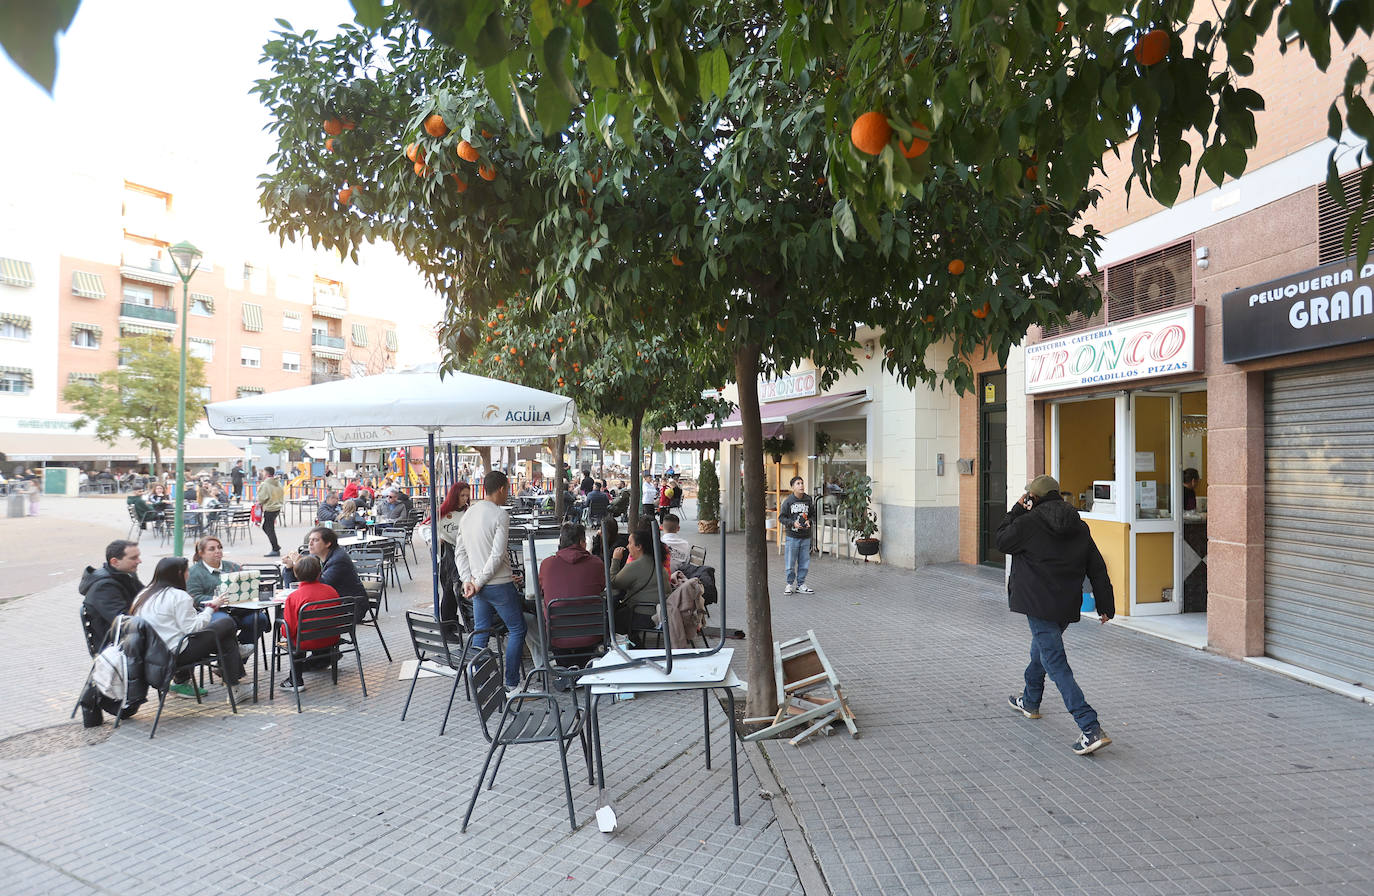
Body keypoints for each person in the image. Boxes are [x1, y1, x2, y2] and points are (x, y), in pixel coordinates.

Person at [997, 474, 1116, 757]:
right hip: (1065, 604)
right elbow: (1096, 568)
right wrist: (1105, 605)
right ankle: (1030, 700)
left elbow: (1001, 539)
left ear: (1033, 498)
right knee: (1041, 650)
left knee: (1055, 662)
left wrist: (1015, 509)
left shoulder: (1027, 523)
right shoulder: (1078, 525)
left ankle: (1090, 727)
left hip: (1038, 603)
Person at [132, 557, 247, 699]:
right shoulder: (179, 596)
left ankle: (234, 687)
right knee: (226, 624)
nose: (189, 573)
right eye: (187, 570)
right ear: (180, 573)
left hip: (152, 653)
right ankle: (235, 686)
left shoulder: (144, 594)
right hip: (177, 654)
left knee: (225, 640)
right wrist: (211, 608)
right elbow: (193, 628)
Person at [455, 470, 526, 694]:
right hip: (498, 584)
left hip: (478, 586)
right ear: (503, 489)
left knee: (481, 632)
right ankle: (511, 684)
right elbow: (497, 555)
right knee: (517, 629)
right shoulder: (500, 515)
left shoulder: (468, 514)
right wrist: (477, 581)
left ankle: (480, 681)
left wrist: (469, 580)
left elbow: (460, 552)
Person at [185, 536, 268, 647]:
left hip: (240, 609)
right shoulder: (194, 572)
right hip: (211, 611)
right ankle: (230, 657)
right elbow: (194, 597)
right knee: (227, 623)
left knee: (260, 619)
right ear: (201, 553)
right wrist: (217, 600)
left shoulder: (233, 566)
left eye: (220, 547)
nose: (218, 551)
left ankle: (238, 655)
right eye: (212, 549)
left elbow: (249, 585)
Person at [538, 523, 606, 654]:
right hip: (592, 635)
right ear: (582, 542)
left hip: (558, 637)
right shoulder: (596, 563)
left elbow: (542, 590)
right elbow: (601, 586)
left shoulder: (547, 564)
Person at [277, 555, 343, 691]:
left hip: (306, 642)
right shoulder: (331, 590)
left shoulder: (294, 597)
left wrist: (283, 631)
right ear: (320, 573)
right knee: (302, 634)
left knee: (295, 637)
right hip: (332, 638)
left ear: (296, 574)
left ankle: (295, 680)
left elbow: (288, 630)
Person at [281, 527, 366, 622]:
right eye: (310, 540)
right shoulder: (315, 556)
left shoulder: (338, 560)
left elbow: (320, 586)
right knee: (290, 613)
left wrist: (300, 563)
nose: (310, 544)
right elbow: (298, 582)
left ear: (328, 543)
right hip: (331, 604)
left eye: (315, 540)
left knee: (291, 616)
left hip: (350, 608)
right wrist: (289, 568)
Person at [80, 540, 144, 653]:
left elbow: (145, 597)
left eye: (138, 556)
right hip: (116, 648)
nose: (139, 561)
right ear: (114, 562)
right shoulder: (104, 587)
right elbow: (123, 621)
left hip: (131, 639)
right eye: (133, 558)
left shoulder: (126, 575)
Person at [610, 527, 664, 643]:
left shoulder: (636, 565)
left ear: (639, 547)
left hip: (643, 615)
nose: (628, 547)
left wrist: (615, 560)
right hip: (659, 614)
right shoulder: (658, 563)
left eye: (630, 543)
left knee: (610, 620)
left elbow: (613, 583)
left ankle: (632, 646)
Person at [436, 480, 473, 633]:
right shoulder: (442, 512)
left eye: (467, 495)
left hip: (464, 555)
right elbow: (425, 527)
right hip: (447, 556)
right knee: (449, 591)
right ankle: (447, 625)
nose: (465, 498)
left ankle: (453, 622)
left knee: (456, 590)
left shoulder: (468, 512)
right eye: (462, 495)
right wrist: (437, 537)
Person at [778, 476, 816, 594]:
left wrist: (809, 521)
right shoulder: (789, 501)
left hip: (805, 537)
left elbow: (813, 515)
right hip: (792, 537)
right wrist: (792, 523)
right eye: (798, 484)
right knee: (790, 562)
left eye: (802, 483)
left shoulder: (808, 499)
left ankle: (801, 584)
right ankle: (789, 584)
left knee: (804, 562)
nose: (801, 486)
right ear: (793, 487)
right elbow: (781, 517)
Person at [257, 466, 285, 557]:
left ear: (266, 473)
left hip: (269, 508)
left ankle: (275, 548)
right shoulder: (278, 483)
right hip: (277, 507)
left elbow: (262, 498)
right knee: (267, 527)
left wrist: (259, 502)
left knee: (268, 528)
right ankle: (276, 546)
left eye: (263, 472)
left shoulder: (265, 484)